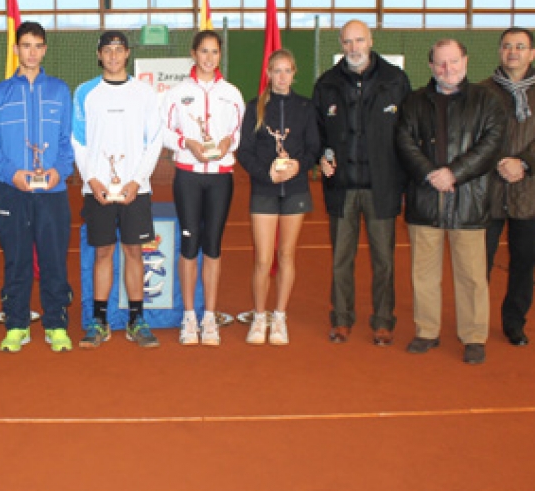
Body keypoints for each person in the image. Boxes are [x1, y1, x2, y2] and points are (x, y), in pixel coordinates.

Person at [395, 39, 505, 365]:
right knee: (424, 274)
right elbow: (404, 142)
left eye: (453, 62)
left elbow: (492, 143)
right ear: (431, 66)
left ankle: (473, 336)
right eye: (441, 63)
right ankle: (427, 331)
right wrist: (431, 174)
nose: (448, 69)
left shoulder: (488, 101)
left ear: (465, 61)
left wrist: (454, 173)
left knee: (472, 275)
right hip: (425, 201)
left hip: (469, 201)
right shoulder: (413, 102)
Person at [0, 21, 75, 353]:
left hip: (53, 193)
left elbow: (67, 142)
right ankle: (17, 324)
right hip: (12, 191)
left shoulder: (61, 91)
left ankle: (56, 325)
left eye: (38, 45)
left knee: (53, 260)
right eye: (25, 45)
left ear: (44, 50)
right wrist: (11, 173)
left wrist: (58, 172)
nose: (31, 52)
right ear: (16, 49)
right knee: (16, 260)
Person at [313, 19, 411, 346]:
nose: (354, 48)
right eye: (347, 42)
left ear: (370, 41)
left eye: (359, 41)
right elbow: (316, 133)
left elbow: (406, 135)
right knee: (342, 259)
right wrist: (320, 157)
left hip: (382, 188)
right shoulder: (326, 83)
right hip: (341, 188)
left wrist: (404, 183)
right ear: (340, 44)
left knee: (383, 260)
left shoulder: (396, 81)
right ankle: (341, 319)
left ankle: (383, 321)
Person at [73, 30, 164, 349]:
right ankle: (99, 322)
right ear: (99, 55)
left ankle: (137, 320)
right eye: (107, 50)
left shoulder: (145, 93)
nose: (113, 56)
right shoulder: (85, 93)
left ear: (127, 54)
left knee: (134, 252)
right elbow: (78, 140)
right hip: (97, 189)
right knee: (102, 253)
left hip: (135, 189)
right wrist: (93, 180)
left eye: (118, 50)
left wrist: (136, 181)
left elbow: (155, 141)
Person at [481, 27, 535, 346]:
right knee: (479, 265)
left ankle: (514, 322)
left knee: (524, 263)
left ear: (532, 53)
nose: (513, 52)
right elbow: (474, 136)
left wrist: (524, 163)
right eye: (507, 46)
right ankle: (475, 324)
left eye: (520, 46)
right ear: (500, 51)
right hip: (488, 193)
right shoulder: (481, 92)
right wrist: (501, 160)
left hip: (531, 194)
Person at [160, 30, 244, 346]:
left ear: (219, 56)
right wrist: (187, 143)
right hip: (188, 177)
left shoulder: (231, 93)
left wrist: (225, 142)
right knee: (189, 242)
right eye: (203, 52)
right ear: (193, 54)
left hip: (221, 177)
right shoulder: (177, 93)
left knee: (213, 244)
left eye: (214, 52)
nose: (209, 58)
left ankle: (209, 316)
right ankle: (189, 316)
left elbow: (236, 133)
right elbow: (165, 132)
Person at [237, 49, 320, 346]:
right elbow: (244, 151)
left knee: (286, 255)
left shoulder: (306, 107)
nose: (282, 77)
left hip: (295, 189)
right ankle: (260, 317)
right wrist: (266, 174)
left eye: (287, 71)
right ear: (268, 74)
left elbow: (313, 148)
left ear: (294, 73)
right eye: (276, 71)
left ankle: (280, 316)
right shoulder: (254, 108)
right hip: (264, 190)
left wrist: (298, 165)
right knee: (262, 259)